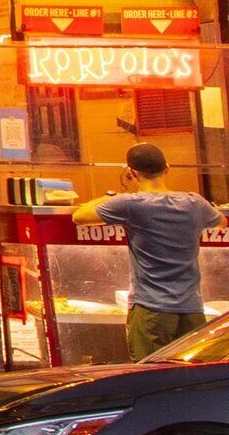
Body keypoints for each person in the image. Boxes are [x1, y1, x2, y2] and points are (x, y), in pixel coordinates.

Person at [82, 142, 221, 358]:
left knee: (151, 377)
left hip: (151, 310)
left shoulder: (129, 204)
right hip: (192, 310)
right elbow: (221, 222)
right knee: (193, 379)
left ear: (131, 173)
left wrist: (110, 196)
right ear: (167, 168)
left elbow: (80, 216)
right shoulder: (195, 202)